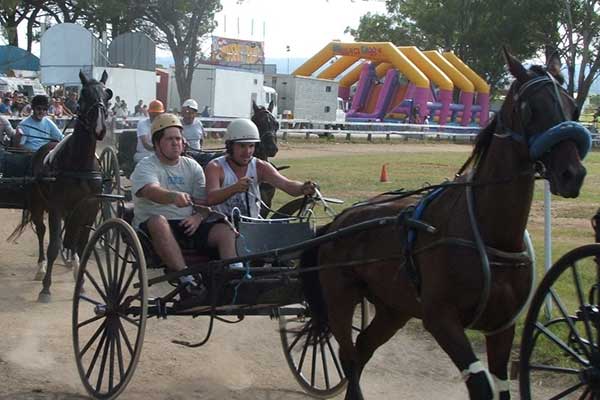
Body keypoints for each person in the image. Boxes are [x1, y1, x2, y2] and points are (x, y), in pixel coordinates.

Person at [130, 113, 242, 307]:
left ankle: (235, 279)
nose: (176, 143)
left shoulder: (193, 167)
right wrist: (173, 196)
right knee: (158, 220)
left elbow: (204, 202)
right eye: (170, 139)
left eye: (179, 139)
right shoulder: (146, 166)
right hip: (154, 229)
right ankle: (188, 282)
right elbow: (150, 191)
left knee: (226, 230)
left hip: (189, 225)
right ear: (157, 143)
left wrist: (199, 217)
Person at [205, 118, 316, 219]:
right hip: (221, 225)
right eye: (242, 146)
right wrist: (234, 188)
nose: (247, 152)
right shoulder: (215, 167)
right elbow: (211, 198)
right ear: (230, 146)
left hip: (252, 225)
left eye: (251, 146)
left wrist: (303, 188)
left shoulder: (260, 166)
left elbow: (286, 184)